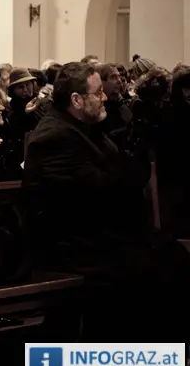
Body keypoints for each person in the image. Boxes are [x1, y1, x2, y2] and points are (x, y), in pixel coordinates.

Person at [24, 62, 190, 342]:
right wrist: (127, 170)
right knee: (157, 270)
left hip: (99, 233)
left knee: (173, 258)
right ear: (77, 100)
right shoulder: (55, 136)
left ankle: (167, 359)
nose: (104, 98)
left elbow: (116, 179)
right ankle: (142, 363)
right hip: (71, 243)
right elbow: (99, 192)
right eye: (98, 92)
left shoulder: (84, 128)